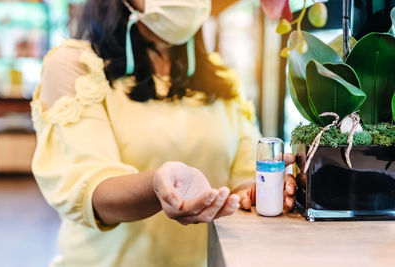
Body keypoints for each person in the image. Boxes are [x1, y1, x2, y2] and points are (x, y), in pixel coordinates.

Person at [30, 0, 297, 266]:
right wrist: (156, 186)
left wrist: (266, 189)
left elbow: (242, 181)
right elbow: (92, 191)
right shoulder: (76, 66)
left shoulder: (222, 80)